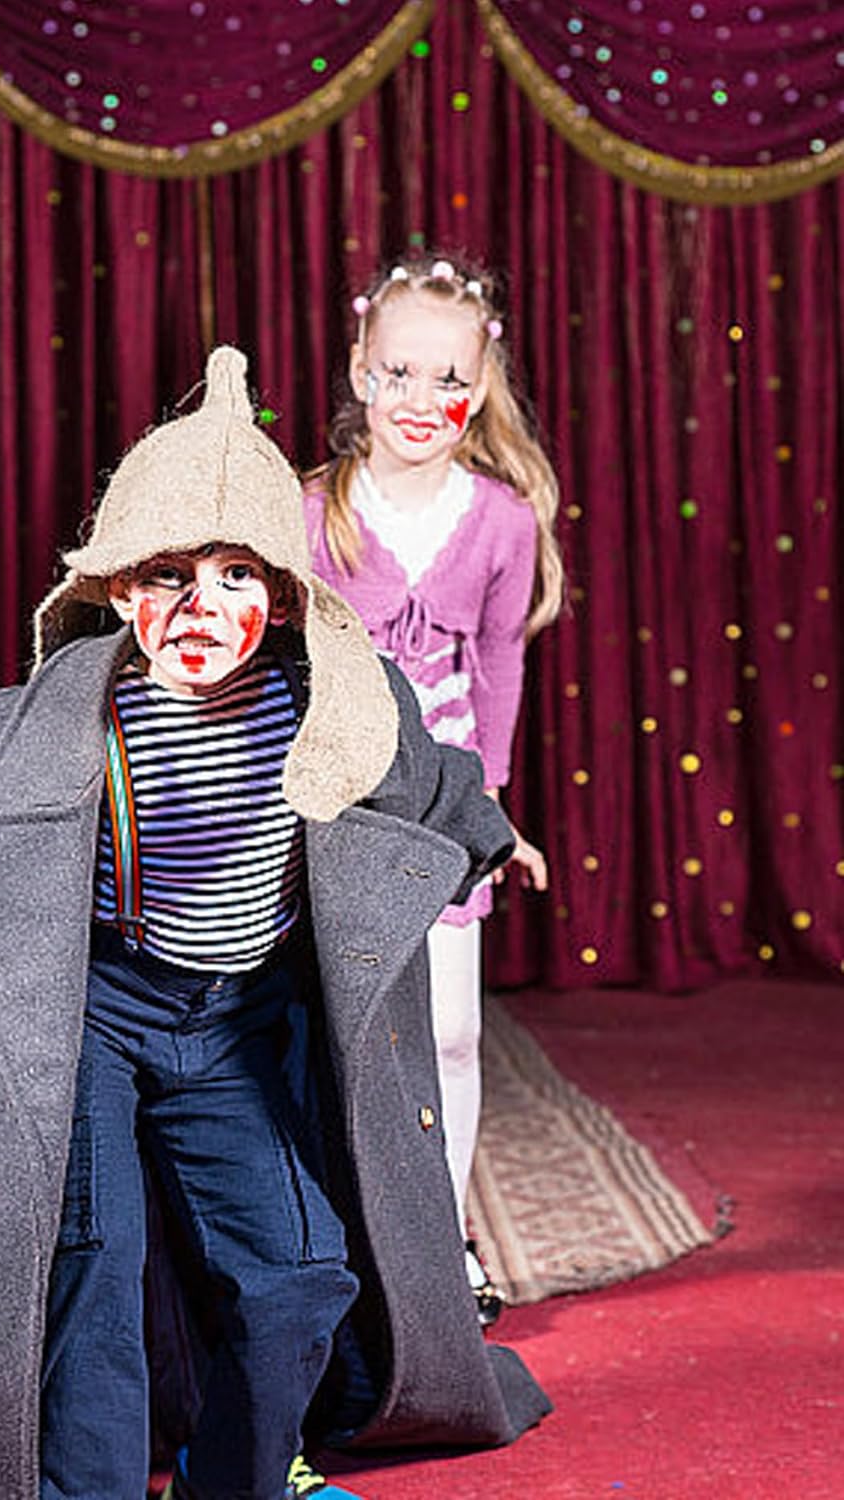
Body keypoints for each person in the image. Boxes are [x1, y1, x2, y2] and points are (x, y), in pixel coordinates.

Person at [0, 346, 550, 1500]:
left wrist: (490, 829)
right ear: (114, 587)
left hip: (237, 1027)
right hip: (97, 1015)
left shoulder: (340, 714)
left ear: (285, 596)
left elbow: (426, 782)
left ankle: (234, 1480)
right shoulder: (47, 729)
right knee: (88, 1263)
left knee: (299, 1275)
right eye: (167, 575)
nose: (202, 608)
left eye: (237, 576)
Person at [303, 255, 565, 1325]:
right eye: (399, 372)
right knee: (345, 1033)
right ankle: (340, 1240)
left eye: (448, 379)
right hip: (338, 812)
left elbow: (499, 666)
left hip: (443, 815)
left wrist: (490, 810)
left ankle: (443, 1240)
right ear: (360, 371)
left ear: (480, 384)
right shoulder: (316, 512)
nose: (421, 399)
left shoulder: (502, 521)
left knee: (449, 1031)